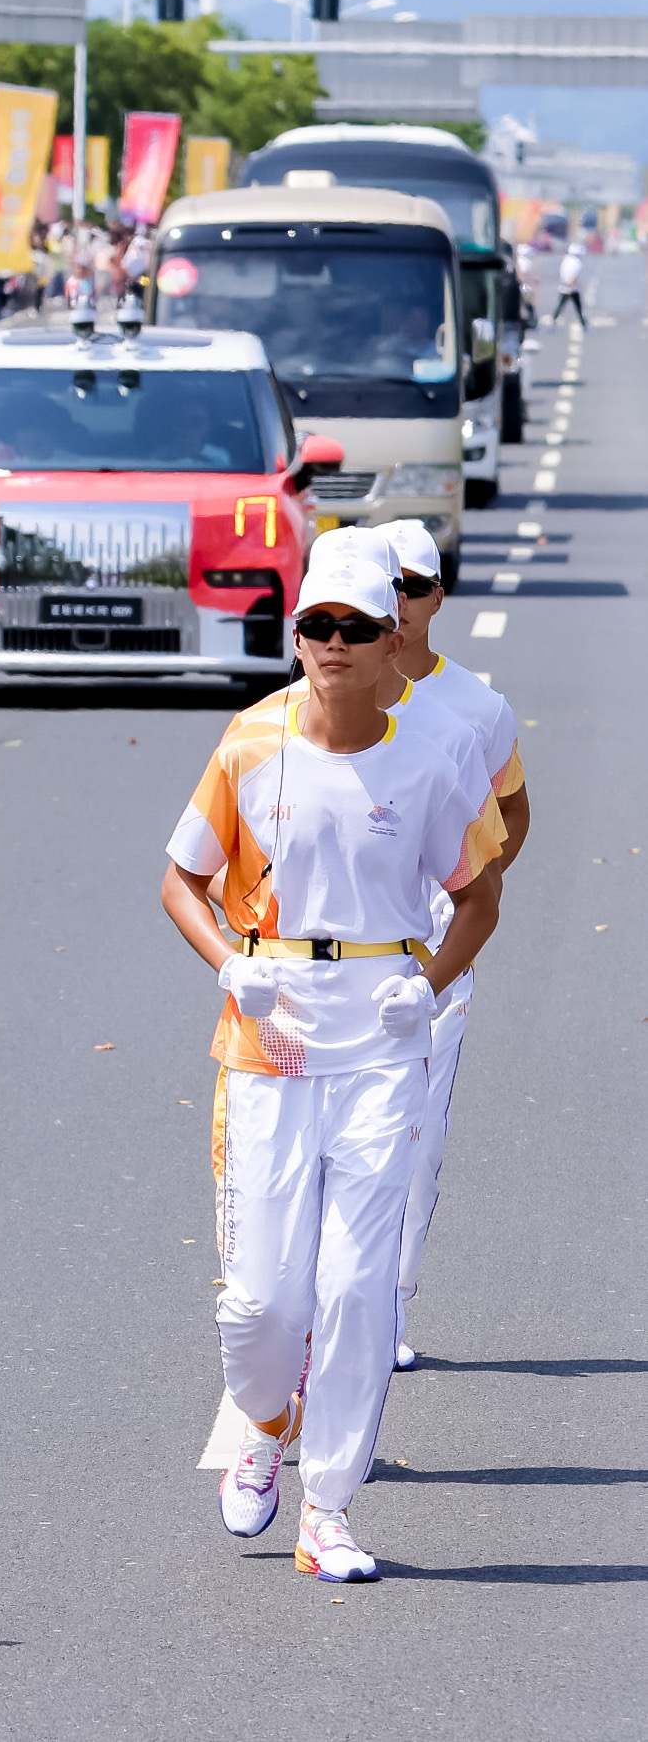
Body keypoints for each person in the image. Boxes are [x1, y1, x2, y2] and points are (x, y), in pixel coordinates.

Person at [160, 552, 503, 1585]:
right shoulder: (250, 741)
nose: (335, 644)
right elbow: (181, 878)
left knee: (357, 1285)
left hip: (382, 1038)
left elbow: (479, 894)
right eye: (318, 625)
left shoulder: (434, 756)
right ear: (297, 636)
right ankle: (269, 1418)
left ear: (391, 639)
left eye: (356, 626)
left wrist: (429, 983)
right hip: (269, 1038)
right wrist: (231, 964)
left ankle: (328, 1509)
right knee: (260, 1301)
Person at [374, 520, 529, 1369]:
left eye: (411, 586)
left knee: (416, 1138)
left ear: (437, 597)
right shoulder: (323, 689)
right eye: (382, 585)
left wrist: (465, 900)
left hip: (435, 962)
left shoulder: (475, 707)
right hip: (334, 962)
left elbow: (514, 814)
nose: (396, 603)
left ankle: (389, 1302)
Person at [552, 241, 585, 328]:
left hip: (563, 286)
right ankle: (583, 322)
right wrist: (570, 287)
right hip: (572, 288)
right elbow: (573, 276)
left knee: (560, 305)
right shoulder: (576, 262)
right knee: (578, 306)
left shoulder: (566, 259)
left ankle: (554, 319)